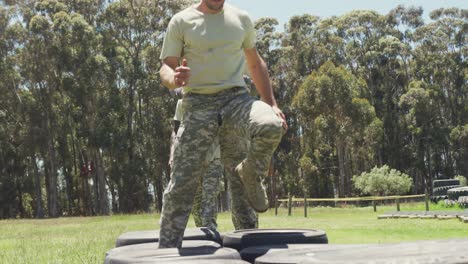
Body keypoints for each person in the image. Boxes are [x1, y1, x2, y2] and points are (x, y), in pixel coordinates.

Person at [159, 0, 287, 248]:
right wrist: (174, 78)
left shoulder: (241, 19)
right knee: (182, 183)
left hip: (235, 100)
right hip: (198, 105)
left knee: (271, 125)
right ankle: (166, 250)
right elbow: (166, 65)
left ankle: (252, 249)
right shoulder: (181, 21)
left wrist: (271, 102)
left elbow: (254, 62)